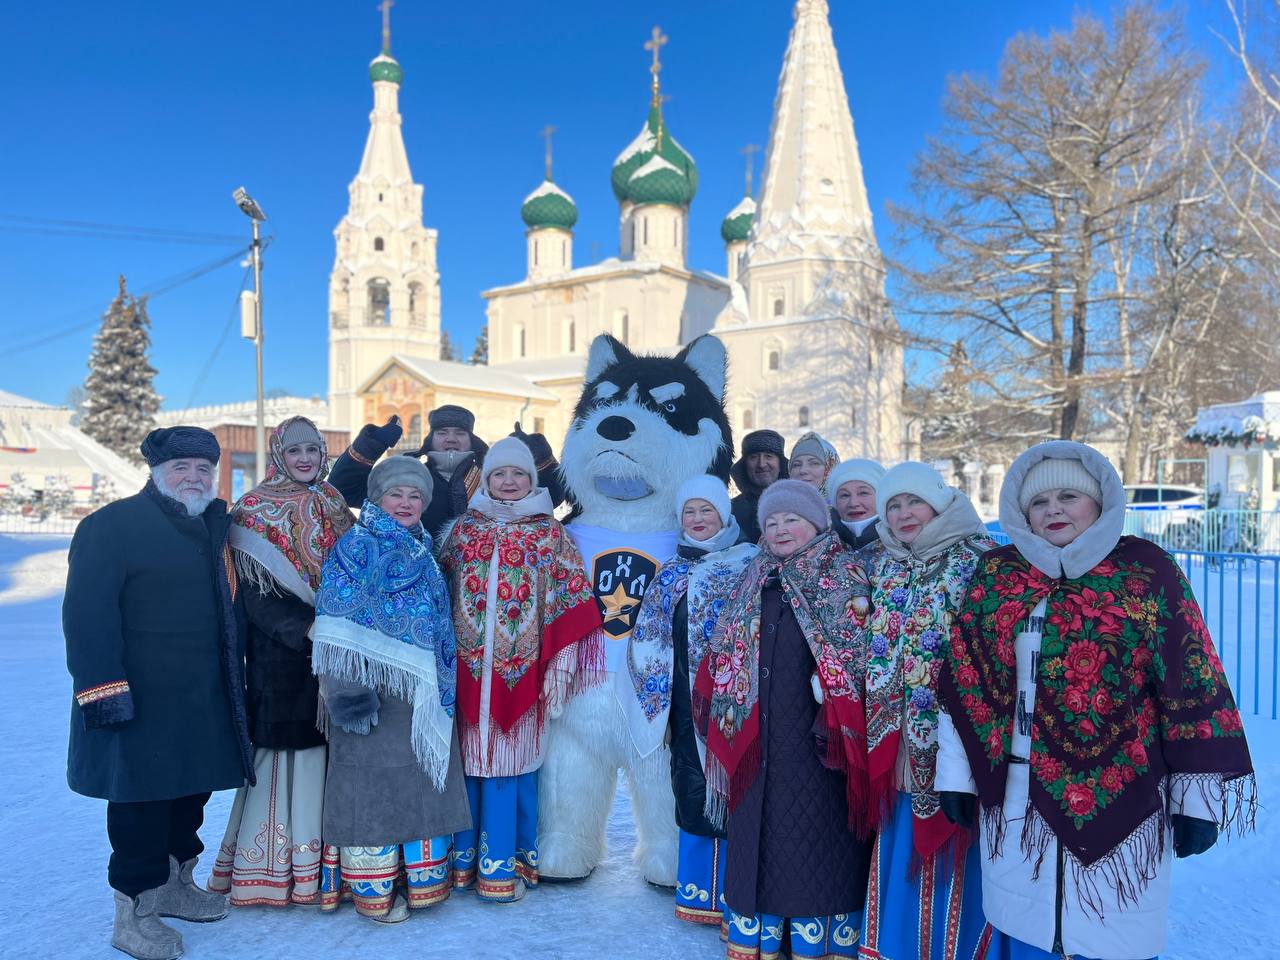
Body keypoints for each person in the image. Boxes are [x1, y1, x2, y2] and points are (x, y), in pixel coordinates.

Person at [937, 441, 1257, 960]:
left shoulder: (1146, 571)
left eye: (1069, 496)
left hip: (1126, 792)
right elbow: (964, 682)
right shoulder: (997, 575)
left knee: (1112, 938)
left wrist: (1196, 802)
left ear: (1100, 502)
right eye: (1039, 502)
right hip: (1018, 797)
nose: (1054, 510)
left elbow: (1191, 681)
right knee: (1025, 931)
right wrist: (955, 777)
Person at [64, 426, 255, 960]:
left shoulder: (216, 525)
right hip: (139, 700)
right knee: (140, 805)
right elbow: (87, 617)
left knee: (190, 794)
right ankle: (134, 912)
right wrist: (103, 692)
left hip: (202, 697)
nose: (194, 477)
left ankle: (175, 884)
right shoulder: (111, 526)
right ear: (156, 472)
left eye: (203, 469)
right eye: (181, 468)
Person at [696, 479, 874, 960]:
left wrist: (829, 697)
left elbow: (857, 652)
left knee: (816, 837)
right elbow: (723, 645)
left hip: (815, 739)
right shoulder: (754, 575)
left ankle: (818, 942)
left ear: (816, 524)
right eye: (771, 521)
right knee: (759, 831)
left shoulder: (844, 576)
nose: (779, 529)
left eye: (791, 519)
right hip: (755, 734)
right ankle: (760, 937)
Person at [438, 438, 605, 903]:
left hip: (524, 672)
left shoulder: (550, 535)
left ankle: (505, 865)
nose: (508, 482)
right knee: (468, 765)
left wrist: (562, 666)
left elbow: (572, 603)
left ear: (531, 481)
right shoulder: (463, 531)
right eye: (499, 474)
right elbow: (439, 595)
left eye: (518, 475)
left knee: (513, 767)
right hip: (468, 672)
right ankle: (462, 864)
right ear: (486, 480)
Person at [312, 456, 471, 922]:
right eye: (395, 494)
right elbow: (334, 629)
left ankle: (421, 885)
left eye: (415, 495)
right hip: (373, 696)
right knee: (373, 794)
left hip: (419, 696)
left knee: (418, 789)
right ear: (377, 498)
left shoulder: (423, 549)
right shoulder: (356, 547)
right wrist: (346, 696)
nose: (405, 503)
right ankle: (374, 894)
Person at [210, 416, 353, 907]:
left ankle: (331, 865)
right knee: (289, 755)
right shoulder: (253, 510)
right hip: (282, 656)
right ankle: (273, 868)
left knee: (333, 750)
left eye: (313, 450)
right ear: (278, 456)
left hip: (338, 647)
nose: (305, 459)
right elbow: (252, 594)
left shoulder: (334, 502)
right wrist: (304, 628)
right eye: (295, 451)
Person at [858, 461, 996, 960]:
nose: (903, 513)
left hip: (956, 740)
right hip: (895, 735)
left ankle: (953, 948)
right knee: (901, 841)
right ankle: (899, 945)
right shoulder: (884, 563)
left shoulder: (981, 559)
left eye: (913, 501)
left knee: (957, 840)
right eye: (893, 505)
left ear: (938, 503)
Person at [619, 475, 759, 926]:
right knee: (692, 788)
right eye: (689, 512)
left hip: (741, 703)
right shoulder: (670, 573)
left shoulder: (752, 563)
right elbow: (648, 638)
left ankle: (739, 891)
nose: (698, 520)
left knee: (741, 791)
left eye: (707, 510)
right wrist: (655, 704)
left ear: (724, 513)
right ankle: (699, 893)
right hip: (684, 705)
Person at [327, 408, 564, 538]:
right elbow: (344, 490)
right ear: (430, 439)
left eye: (459, 433)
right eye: (442, 432)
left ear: (471, 439)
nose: (451, 439)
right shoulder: (408, 477)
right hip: (417, 588)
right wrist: (372, 444)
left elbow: (552, 495)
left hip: (478, 590)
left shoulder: (491, 480)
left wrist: (538, 454)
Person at [729, 429, 789, 543]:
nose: (761, 464)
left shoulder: (798, 504)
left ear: (780, 463)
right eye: (754, 457)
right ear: (744, 465)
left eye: (768, 456)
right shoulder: (730, 511)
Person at [827, 458, 886, 552]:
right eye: (845, 495)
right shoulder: (820, 545)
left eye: (863, 493)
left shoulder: (902, 544)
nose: (853, 503)